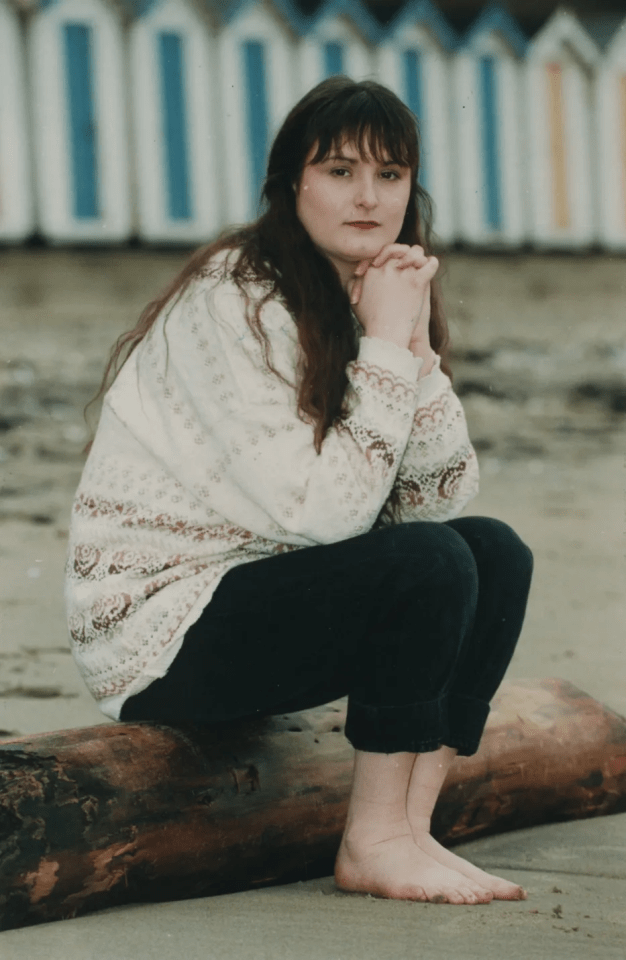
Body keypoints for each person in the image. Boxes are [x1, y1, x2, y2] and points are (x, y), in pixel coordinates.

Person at [66, 77, 533, 906]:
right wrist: (389, 347)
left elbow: (437, 502)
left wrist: (412, 349)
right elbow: (327, 518)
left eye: (390, 176)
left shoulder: (367, 290)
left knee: (492, 551)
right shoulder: (232, 302)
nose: (367, 196)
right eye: (340, 170)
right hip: (165, 632)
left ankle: (408, 829)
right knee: (429, 562)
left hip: (262, 597)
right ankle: (374, 841)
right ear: (292, 185)